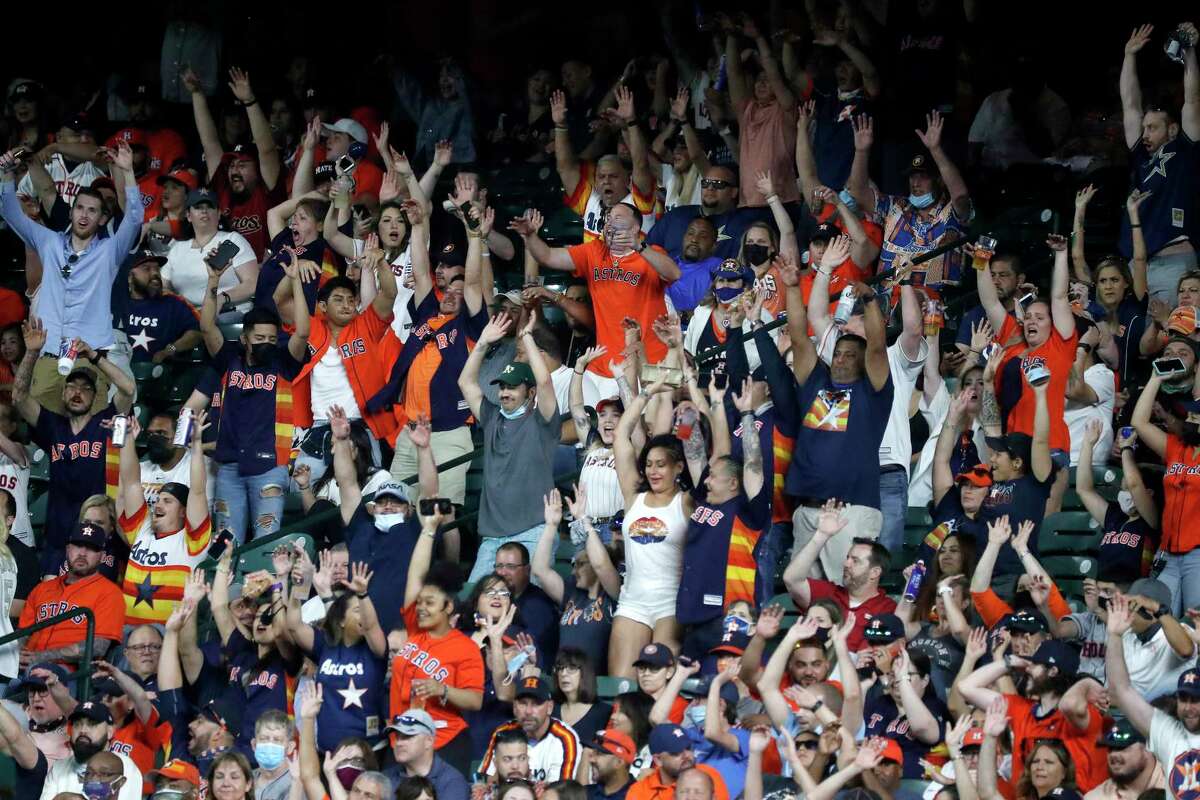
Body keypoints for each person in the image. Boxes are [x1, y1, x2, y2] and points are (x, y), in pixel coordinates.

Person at [0, 143, 143, 410]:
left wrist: (128, 171)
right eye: (80, 208)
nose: (84, 215)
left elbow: (134, 220)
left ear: (102, 219)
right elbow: (10, 213)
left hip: (89, 356)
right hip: (48, 354)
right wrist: (7, 176)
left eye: (92, 210)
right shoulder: (49, 242)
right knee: (44, 431)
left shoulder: (109, 251)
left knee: (90, 435)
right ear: (72, 212)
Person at [808, 236, 925, 555]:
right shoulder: (840, 356)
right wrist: (825, 268)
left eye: (857, 317)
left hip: (886, 472)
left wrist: (907, 284)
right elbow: (818, 317)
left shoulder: (894, 358)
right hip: (845, 475)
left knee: (881, 560)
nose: (845, 326)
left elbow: (913, 330)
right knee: (840, 560)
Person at [785, 246, 893, 570]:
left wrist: (871, 300)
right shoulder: (816, 381)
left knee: (845, 595)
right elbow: (798, 336)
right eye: (839, 353)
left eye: (850, 354)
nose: (841, 358)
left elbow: (875, 347)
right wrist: (792, 288)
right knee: (802, 593)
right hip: (806, 510)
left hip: (852, 511)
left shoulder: (873, 391)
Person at [195, 254, 310, 544]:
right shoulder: (229, 358)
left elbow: (303, 332)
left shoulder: (282, 362)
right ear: (245, 338)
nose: (267, 345)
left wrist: (295, 282)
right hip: (229, 466)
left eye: (272, 340)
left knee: (267, 541)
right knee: (224, 543)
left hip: (270, 465)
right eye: (260, 339)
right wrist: (213, 280)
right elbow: (207, 327)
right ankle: (226, 590)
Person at [513, 204, 679, 405]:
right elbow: (547, 256)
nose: (609, 222)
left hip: (650, 362)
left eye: (617, 217)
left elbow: (674, 273)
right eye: (607, 218)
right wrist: (531, 236)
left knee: (652, 428)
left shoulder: (651, 254)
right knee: (590, 426)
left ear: (635, 228)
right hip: (603, 366)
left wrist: (639, 246)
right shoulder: (594, 252)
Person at [12, 316, 135, 576]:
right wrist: (32, 353)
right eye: (72, 386)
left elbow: (128, 388)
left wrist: (94, 356)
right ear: (63, 392)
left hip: (98, 541)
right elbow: (19, 396)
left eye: (86, 388)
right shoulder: (51, 425)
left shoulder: (105, 422)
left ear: (95, 395)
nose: (78, 392)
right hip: (58, 541)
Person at [458, 313, 560, 582]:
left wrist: (526, 338)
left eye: (513, 388)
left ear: (530, 393)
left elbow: (545, 381)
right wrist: (481, 342)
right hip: (493, 539)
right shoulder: (492, 417)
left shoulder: (543, 422)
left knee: (529, 605)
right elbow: (466, 383)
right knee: (475, 602)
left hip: (534, 532)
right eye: (502, 386)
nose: (505, 392)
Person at [390, 503, 484, 773]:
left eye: (430, 603)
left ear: (449, 607)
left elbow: (474, 700)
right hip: (403, 738)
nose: (421, 607)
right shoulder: (415, 631)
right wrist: (429, 529)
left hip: (444, 744)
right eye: (420, 602)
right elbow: (415, 576)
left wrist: (442, 689)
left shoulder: (465, 648)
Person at [1118, 23, 1200, 304]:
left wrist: (1188, 51)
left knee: (1173, 334)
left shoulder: (1184, 151)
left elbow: (1192, 99)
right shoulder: (1141, 155)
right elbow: (1129, 104)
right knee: (1136, 337)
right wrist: (1129, 56)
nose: (1146, 134)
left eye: (1153, 127)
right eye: (1144, 128)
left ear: (1173, 129)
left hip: (1173, 263)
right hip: (1135, 263)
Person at [959, 640, 1106, 792]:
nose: (1027, 668)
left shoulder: (1082, 713)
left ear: (1052, 671)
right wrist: (1009, 662)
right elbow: (966, 687)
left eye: (1035, 665)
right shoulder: (1021, 709)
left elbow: (1068, 705)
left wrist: (1086, 683)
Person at [846, 114, 970, 285]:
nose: (915, 183)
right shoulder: (896, 206)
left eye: (923, 177)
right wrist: (861, 151)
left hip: (933, 305)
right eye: (912, 177)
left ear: (939, 180)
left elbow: (961, 196)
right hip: (885, 302)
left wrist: (935, 150)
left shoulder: (953, 213)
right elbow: (858, 193)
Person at [116, 411, 211, 625]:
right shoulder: (141, 529)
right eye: (159, 500)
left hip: (167, 635)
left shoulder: (192, 541)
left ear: (183, 511)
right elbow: (131, 482)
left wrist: (196, 445)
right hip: (126, 637)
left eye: (168, 501)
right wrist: (128, 440)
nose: (158, 504)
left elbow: (197, 491)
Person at [186, 67, 284, 260]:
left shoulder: (267, 189)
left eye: (242, 165)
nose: (234, 170)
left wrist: (249, 101)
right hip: (228, 277)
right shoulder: (223, 189)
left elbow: (266, 149)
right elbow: (210, 142)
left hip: (265, 273)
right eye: (231, 165)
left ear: (257, 170)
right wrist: (196, 93)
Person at [1131, 370, 1200, 615]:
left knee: (1196, 622)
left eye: (1196, 415)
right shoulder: (1174, 447)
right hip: (1167, 553)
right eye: (1189, 415)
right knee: (1155, 618)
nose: (1190, 419)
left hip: (1198, 554)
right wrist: (1155, 379)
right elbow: (1139, 422)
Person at [783, 502, 896, 651]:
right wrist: (821, 535)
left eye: (855, 561)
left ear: (875, 573)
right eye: (848, 557)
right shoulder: (828, 593)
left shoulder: (888, 609)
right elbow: (791, 579)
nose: (846, 563)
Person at [551, 87, 655, 242]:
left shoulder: (640, 203)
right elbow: (565, 168)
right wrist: (560, 126)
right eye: (601, 176)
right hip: (594, 267)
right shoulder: (589, 201)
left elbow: (641, 164)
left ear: (628, 179)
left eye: (613, 176)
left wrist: (630, 123)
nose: (606, 181)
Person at [534, 489, 619, 675]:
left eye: (580, 564)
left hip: (592, 683)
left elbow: (601, 564)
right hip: (563, 678)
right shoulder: (572, 591)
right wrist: (551, 525)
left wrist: (582, 519)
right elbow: (540, 570)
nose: (574, 571)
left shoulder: (614, 593)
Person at [18, 521, 124, 668]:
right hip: (26, 667)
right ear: (68, 549)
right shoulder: (42, 589)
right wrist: (16, 656)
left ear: (102, 555)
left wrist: (42, 657)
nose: (82, 553)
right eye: (78, 545)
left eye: (91, 548)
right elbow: (22, 633)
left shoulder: (110, 593)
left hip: (70, 674)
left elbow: (98, 646)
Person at [723, 16, 798, 207]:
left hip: (781, 203)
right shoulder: (747, 110)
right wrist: (732, 35)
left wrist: (759, 38)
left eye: (767, 80)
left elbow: (774, 74)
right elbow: (733, 72)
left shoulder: (786, 109)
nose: (762, 83)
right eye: (758, 79)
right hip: (746, 204)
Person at [161, 187, 258, 315]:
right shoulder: (177, 248)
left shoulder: (232, 239)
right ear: (188, 216)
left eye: (210, 206)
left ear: (218, 214)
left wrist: (220, 299)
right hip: (189, 318)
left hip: (229, 313)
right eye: (198, 207)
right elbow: (163, 286)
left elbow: (253, 283)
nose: (204, 211)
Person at [480, 676, 582, 783]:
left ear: (550, 707)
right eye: (523, 703)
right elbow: (491, 783)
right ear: (514, 707)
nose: (528, 711)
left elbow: (562, 792)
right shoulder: (502, 733)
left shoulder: (566, 738)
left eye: (536, 704)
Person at [38, 701, 142, 800]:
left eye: (92, 724)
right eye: (77, 724)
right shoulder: (59, 768)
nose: (83, 730)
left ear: (110, 731)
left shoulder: (125, 766)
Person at [125, 249, 202, 363]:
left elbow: (196, 332)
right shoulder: (118, 304)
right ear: (130, 277)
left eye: (157, 269)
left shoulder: (173, 303)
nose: (155, 273)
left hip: (162, 373)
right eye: (146, 269)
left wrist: (170, 350)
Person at [382, 709, 470, 800]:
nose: (398, 743)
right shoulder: (386, 778)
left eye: (407, 736)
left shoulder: (452, 782)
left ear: (429, 741)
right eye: (397, 737)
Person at [624, 724, 728, 800]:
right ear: (658, 760)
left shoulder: (706, 775)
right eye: (676, 753)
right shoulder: (639, 791)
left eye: (688, 748)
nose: (686, 755)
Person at [1082, 719, 1165, 800]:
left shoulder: (1174, 787)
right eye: (1110, 748)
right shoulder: (1096, 797)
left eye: (1122, 747)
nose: (1113, 755)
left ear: (1148, 747)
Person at [249, 710, 293, 800]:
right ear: (254, 745)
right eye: (264, 739)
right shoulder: (245, 779)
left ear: (290, 747)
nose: (270, 745)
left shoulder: (297, 783)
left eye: (277, 740)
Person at [586, 729, 638, 800]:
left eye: (599, 754)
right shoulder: (584, 793)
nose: (591, 759)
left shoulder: (640, 796)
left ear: (619, 762)